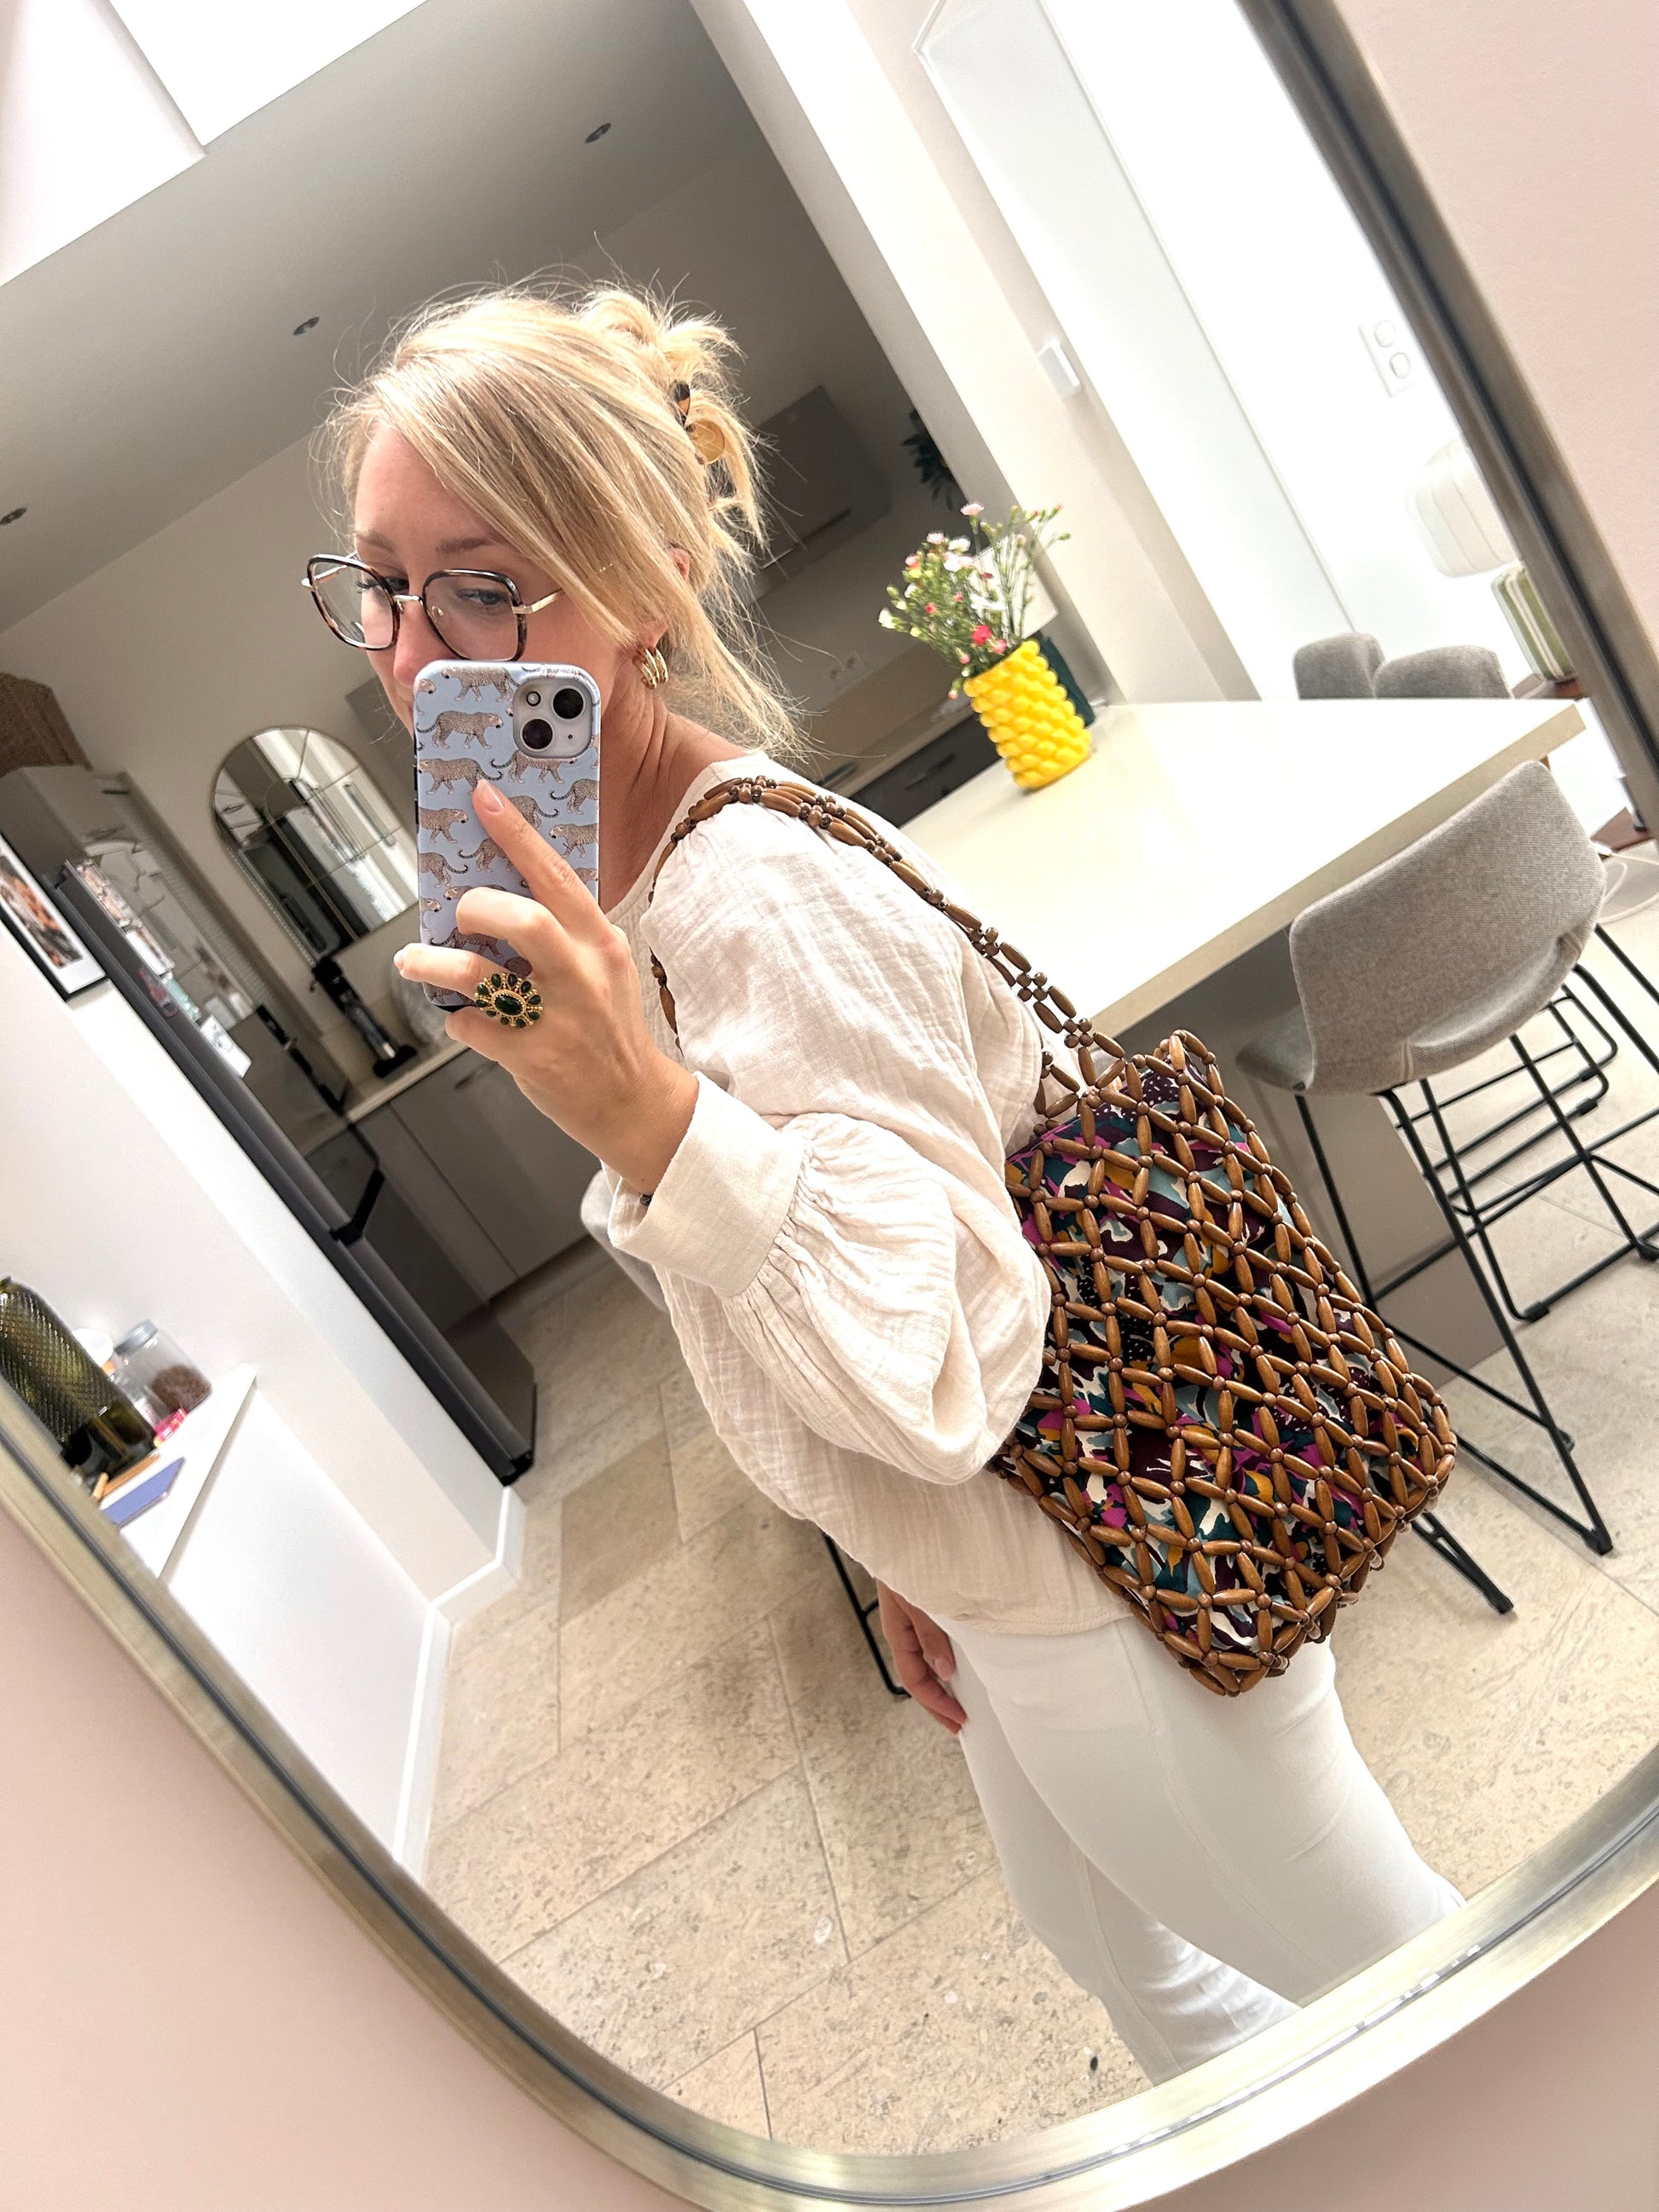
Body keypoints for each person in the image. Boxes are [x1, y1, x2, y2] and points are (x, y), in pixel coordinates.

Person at [312, 284, 1461, 2086]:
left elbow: (941, 1350)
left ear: (649, 581)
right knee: (1147, 1980)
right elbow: (867, 1298)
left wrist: (649, 1119)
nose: (412, 656)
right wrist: (893, 1547)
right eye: (382, 583)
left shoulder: (746, 890)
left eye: (485, 585)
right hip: (1003, 1556)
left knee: (1429, 2005)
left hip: (1110, 1572)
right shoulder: (631, 890)